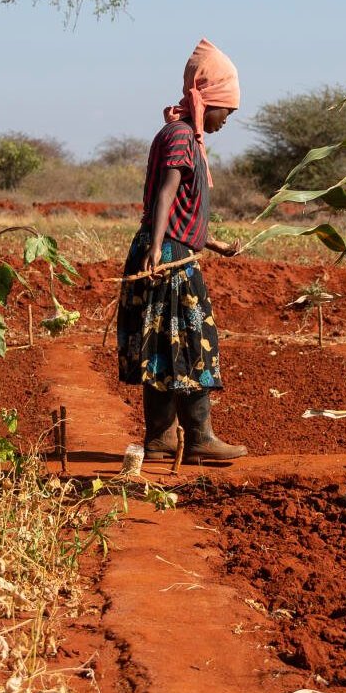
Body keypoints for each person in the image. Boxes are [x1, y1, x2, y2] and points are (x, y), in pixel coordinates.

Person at [119, 39, 249, 462]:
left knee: (159, 345)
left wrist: (215, 242)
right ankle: (198, 438)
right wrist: (157, 250)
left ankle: (159, 438)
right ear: (206, 100)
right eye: (226, 110)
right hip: (169, 258)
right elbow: (165, 194)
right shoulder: (180, 136)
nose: (227, 119)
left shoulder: (180, 134)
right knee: (192, 341)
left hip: (170, 249)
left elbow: (177, 209)